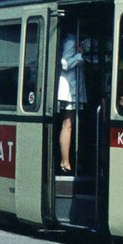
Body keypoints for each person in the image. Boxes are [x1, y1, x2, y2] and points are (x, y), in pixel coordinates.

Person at [56, 30, 86, 174]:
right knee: (67, 125)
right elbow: (65, 63)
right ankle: (65, 161)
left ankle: (68, 160)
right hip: (68, 89)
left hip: (73, 88)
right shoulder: (70, 41)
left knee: (70, 125)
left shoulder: (73, 40)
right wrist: (80, 55)